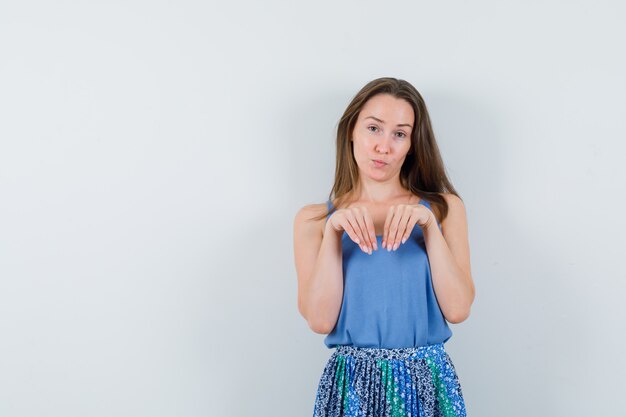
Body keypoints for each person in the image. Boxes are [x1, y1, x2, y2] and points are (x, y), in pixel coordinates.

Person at [293, 77, 475, 417]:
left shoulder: (444, 209)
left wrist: (429, 228)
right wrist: (334, 232)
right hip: (351, 387)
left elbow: (458, 309)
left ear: (411, 145)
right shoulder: (314, 221)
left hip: (426, 382)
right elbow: (320, 320)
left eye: (400, 133)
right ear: (351, 130)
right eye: (374, 128)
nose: (383, 147)